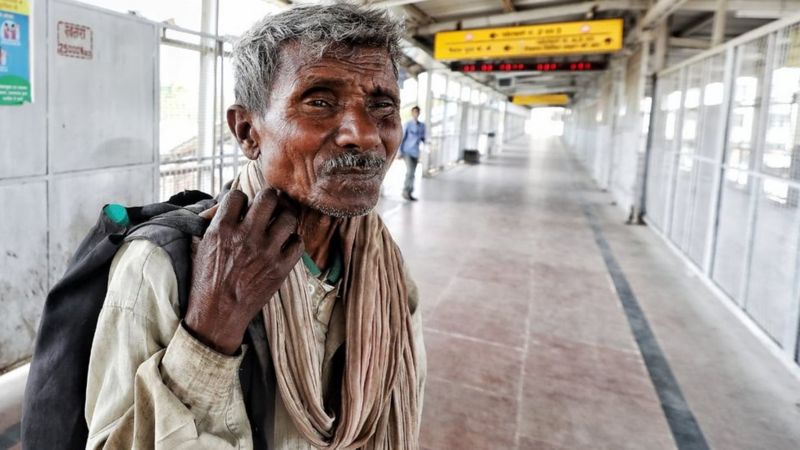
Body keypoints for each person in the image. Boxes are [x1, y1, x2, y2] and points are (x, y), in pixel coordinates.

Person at [84, 4, 426, 449]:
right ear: (247, 131)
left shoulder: (388, 273)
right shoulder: (163, 266)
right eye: (320, 102)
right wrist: (210, 332)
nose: (362, 134)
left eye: (381, 105)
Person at [399, 106, 425, 201]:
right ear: (412, 113)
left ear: (419, 113)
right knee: (410, 172)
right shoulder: (408, 124)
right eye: (414, 112)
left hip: (415, 152)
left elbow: (423, 138)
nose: (415, 114)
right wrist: (400, 152)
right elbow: (402, 138)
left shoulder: (422, 125)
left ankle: (410, 192)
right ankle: (405, 192)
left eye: (417, 112)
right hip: (407, 152)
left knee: (413, 173)